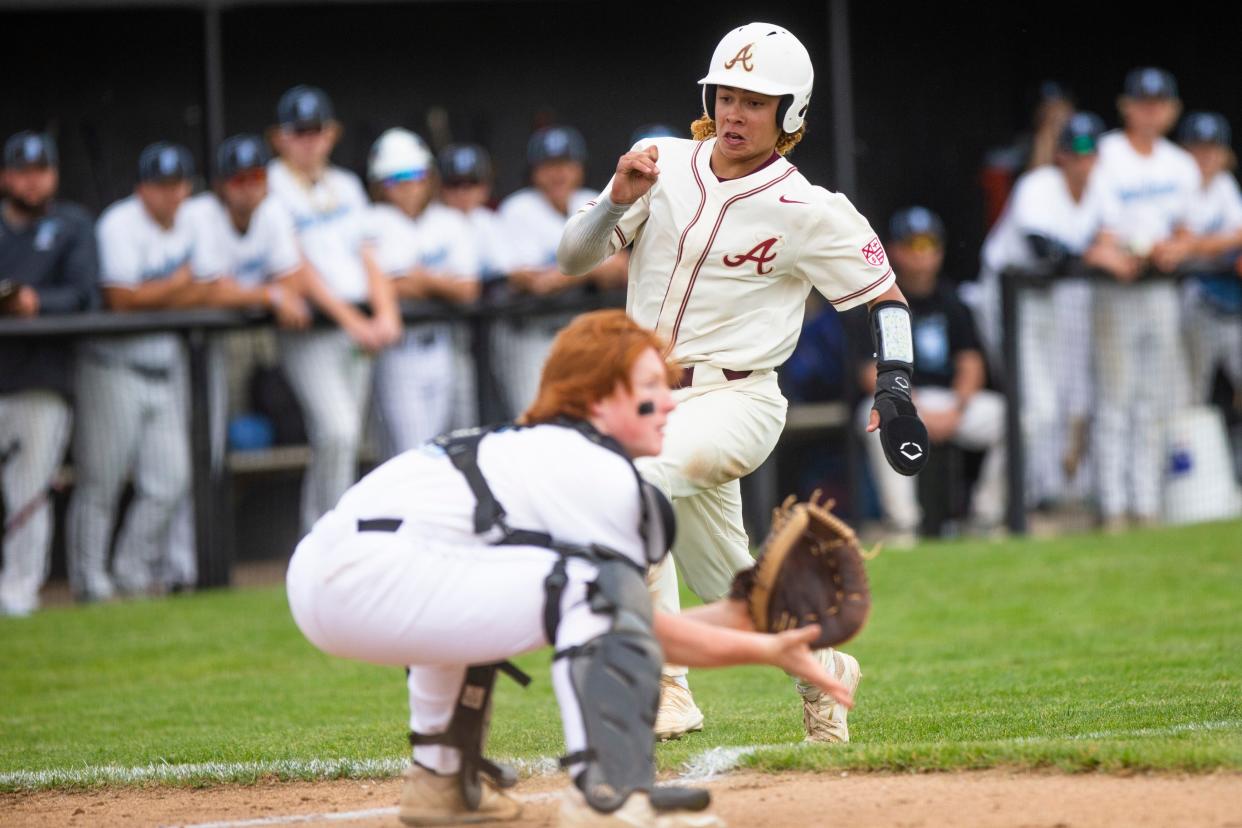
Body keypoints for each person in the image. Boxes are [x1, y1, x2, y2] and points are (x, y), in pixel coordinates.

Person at [286, 309, 854, 828]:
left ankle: (441, 781)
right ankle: (607, 797)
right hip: (366, 579)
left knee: (545, 592)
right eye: (652, 388)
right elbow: (629, 624)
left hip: (332, 573)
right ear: (601, 399)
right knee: (592, 591)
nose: (673, 403)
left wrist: (739, 615)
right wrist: (765, 647)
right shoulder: (596, 473)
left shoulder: (535, 449)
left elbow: (626, 625)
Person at [556, 22, 927, 743]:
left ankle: (664, 685)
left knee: (634, 481)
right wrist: (612, 200)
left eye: (755, 101)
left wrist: (897, 386)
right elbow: (572, 258)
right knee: (731, 583)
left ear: (790, 114)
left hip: (737, 397)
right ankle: (821, 667)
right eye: (726, 95)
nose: (734, 113)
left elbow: (887, 299)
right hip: (651, 398)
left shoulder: (808, 209)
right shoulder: (660, 162)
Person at [166, 134, 314, 583]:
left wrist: (256, 292)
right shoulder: (199, 214)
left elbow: (293, 279)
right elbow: (210, 290)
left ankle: (192, 564)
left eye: (255, 177)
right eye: (238, 179)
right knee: (180, 462)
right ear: (221, 185)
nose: (248, 187)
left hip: (219, 348)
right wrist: (267, 294)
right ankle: (176, 566)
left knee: (205, 457)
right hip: (176, 347)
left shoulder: (272, 213)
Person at [975, 113, 1134, 505]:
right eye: (1076, 151)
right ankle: (1000, 505)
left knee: (1066, 400)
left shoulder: (1102, 189)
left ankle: (1043, 495)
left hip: (1052, 299)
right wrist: (1093, 253)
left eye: (1091, 151)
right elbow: (1040, 248)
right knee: (1035, 408)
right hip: (1007, 299)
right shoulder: (1038, 185)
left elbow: (1114, 241)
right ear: (1061, 155)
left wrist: (1109, 250)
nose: (1084, 160)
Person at [266, 84, 402, 533]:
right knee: (337, 430)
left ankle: (331, 533)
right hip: (313, 329)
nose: (308, 139)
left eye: (315, 129)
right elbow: (296, 267)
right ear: (280, 137)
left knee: (346, 438)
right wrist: (354, 320)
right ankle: (323, 535)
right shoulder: (272, 184)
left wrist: (386, 312)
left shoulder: (344, 183)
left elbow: (368, 254)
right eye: (298, 130)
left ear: (331, 133)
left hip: (354, 325)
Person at [67, 141, 199, 600]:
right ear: (143, 188)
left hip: (163, 369)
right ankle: (90, 581)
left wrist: (170, 290)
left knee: (170, 481)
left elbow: (210, 286)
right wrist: (182, 284)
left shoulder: (193, 221)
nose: (170, 194)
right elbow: (122, 300)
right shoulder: (119, 224)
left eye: (177, 184)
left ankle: (130, 572)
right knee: (100, 481)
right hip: (112, 367)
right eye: (160, 186)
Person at [1091, 68, 1200, 530]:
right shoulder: (1106, 153)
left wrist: (1178, 246)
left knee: (1153, 400)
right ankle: (1113, 505)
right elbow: (1098, 227)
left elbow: (1187, 229)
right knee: (1114, 399)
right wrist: (1124, 248)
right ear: (1127, 105)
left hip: (1160, 289)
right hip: (1115, 288)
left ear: (1172, 108)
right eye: (1143, 101)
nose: (1151, 110)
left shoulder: (1180, 164)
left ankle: (1147, 503)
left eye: (1160, 102)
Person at [858, 208, 1006, 542]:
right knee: (869, 418)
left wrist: (955, 409)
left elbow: (971, 364)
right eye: (913, 244)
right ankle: (903, 525)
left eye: (929, 244)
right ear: (893, 250)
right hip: (905, 399)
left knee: (1012, 419)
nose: (922, 254)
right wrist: (914, 410)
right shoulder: (875, 297)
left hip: (950, 402)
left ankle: (987, 517)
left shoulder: (953, 300)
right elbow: (867, 372)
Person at [0, 131, 98, 615]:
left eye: (41, 171)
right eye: (22, 171)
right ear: (5, 177)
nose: (32, 182)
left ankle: (18, 592)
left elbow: (86, 296)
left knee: (28, 492)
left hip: (40, 377)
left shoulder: (71, 226)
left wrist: (33, 302)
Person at [492, 125, 628, 417]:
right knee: (536, 421)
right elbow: (534, 282)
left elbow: (623, 268)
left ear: (579, 168)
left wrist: (565, 273)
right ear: (535, 172)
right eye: (549, 165)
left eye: (566, 164)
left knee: (587, 421)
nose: (558, 174)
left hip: (581, 334)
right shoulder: (518, 209)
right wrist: (593, 268)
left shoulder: (594, 199)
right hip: (530, 336)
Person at [367, 128, 481, 454]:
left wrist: (421, 280)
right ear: (380, 185)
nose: (408, 186)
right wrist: (439, 282)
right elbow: (387, 285)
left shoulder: (449, 221)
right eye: (396, 179)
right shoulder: (373, 221)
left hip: (443, 348)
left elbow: (468, 289)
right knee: (411, 453)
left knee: (451, 449)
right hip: (398, 354)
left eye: (415, 175)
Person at [438, 142, 511, 427]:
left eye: (472, 183)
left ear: (485, 186)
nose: (463, 192)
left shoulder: (491, 223)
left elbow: (508, 276)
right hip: (443, 335)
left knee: (481, 413)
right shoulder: (432, 223)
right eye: (454, 183)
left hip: (489, 335)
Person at [1174, 112, 1242, 405]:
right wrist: (1216, 245)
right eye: (1197, 148)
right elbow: (1179, 241)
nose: (1205, 156)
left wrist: (1198, 246)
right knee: (1191, 393)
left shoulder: (1225, 185)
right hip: (1192, 298)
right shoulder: (1176, 183)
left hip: (1230, 304)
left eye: (1212, 148)